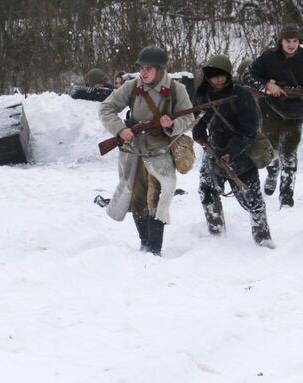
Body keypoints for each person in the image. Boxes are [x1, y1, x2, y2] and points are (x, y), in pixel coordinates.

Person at [99, 46, 194, 256]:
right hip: (133, 151)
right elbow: (106, 108)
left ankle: (154, 249)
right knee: (137, 197)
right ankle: (144, 244)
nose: (143, 73)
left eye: (148, 68)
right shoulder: (132, 86)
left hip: (161, 149)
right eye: (141, 68)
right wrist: (120, 129)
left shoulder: (177, 89)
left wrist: (171, 125)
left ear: (160, 70)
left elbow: (188, 118)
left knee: (157, 197)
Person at [192, 55, 274, 248]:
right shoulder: (203, 93)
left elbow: (250, 129)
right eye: (214, 76)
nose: (219, 79)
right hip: (214, 149)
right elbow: (199, 116)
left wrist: (231, 151)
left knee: (251, 200)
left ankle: (263, 240)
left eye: (222, 75)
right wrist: (199, 133)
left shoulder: (241, 94)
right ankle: (216, 235)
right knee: (207, 190)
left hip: (242, 151)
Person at [242, 24, 303, 207]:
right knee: (270, 150)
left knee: (290, 153)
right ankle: (273, 170)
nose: (291, 45)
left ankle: (286, 197)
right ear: (281, 41)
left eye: (295, 41)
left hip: (296, 113)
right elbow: (247, 76)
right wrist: (268, 85)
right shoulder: (269, 57)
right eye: (287, 41)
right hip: (271, 110)